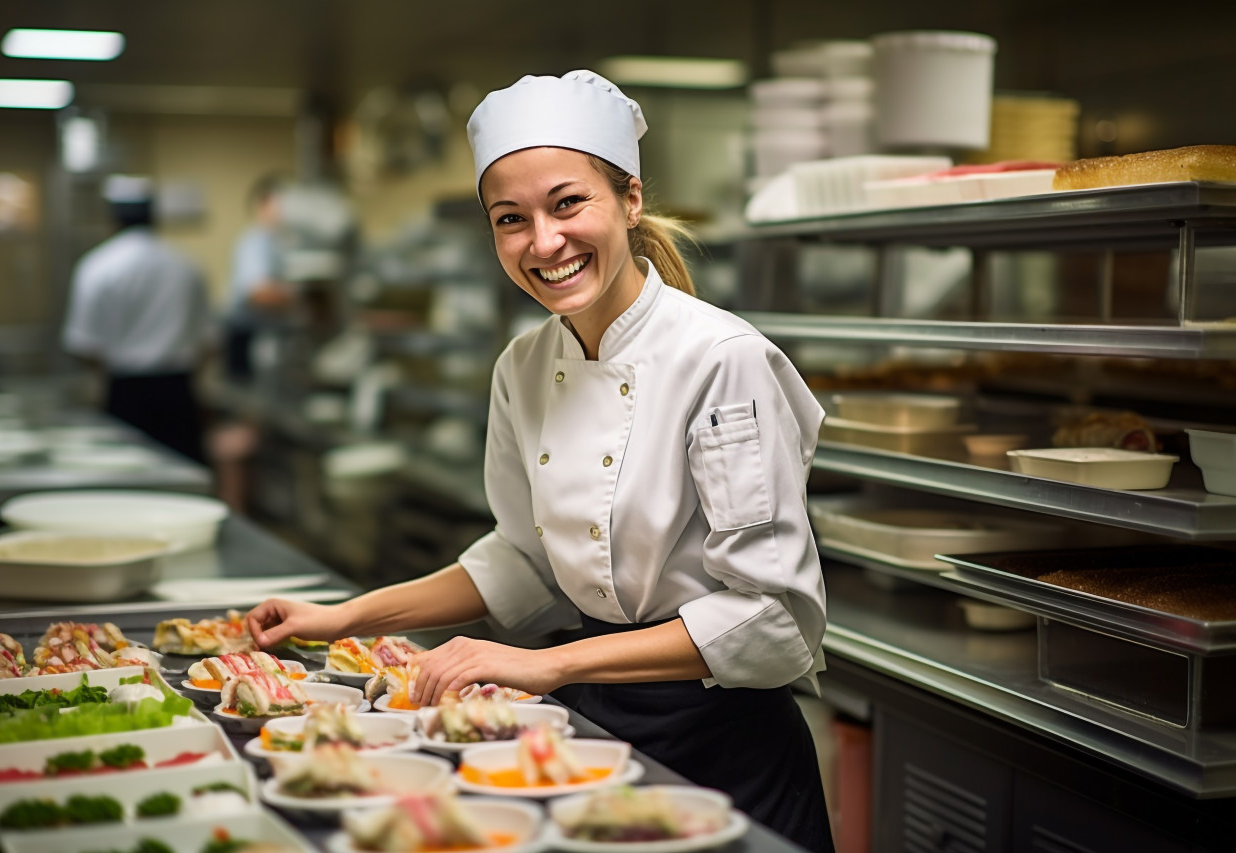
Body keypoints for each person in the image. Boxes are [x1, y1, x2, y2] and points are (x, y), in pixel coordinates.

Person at [246, 70, 834, 851]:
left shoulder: (721, 359)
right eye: (510, 219)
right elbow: (526, 559)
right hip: (590, 728)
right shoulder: (521, 366)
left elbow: (771, 618)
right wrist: (344, 615)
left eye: (567, 203)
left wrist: (550, 665)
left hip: (726, 744)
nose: (543, 242)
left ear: (629, 199)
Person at [62, 175, 212, 463]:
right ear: (154, 217)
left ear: (113, 218)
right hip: (177, 392)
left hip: (125, 392)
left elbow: (84, 345)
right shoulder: (187, 265)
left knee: (128, 483)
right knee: (183, 480)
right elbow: (208, 341)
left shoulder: (97, 267)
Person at [222, 173, 292, 382]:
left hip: (264, 337)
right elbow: (258, 293)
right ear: (264, 204)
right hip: (248, 337)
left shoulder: (278, 243)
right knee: (253, 404)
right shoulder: (255, 242)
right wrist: (302, 302)